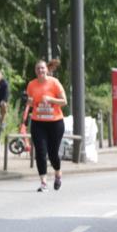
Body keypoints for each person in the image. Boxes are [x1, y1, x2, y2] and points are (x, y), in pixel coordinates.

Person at [26, 59, 67, 192]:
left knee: (53, 153)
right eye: (38, 69)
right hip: (38, 122)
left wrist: (51, 99)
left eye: (42, 68)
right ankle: (43, 182)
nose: (40, 71)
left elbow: (64, 101)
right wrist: (30, 102)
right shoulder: (31, 85)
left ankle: (58, 173)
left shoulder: (54, 83)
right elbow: (31, 103)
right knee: (40, 153)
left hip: (55, 122)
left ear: (47, 70)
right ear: (35, 71)